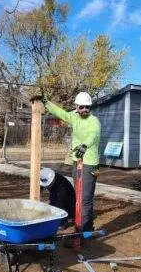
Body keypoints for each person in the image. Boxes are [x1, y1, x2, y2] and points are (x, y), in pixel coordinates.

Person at [32, 92, 101, 232]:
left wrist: (85, 145)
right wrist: (46, 102)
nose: (85, 110)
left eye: (88, 107)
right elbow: (60, 112)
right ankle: (81, 224)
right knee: (78, 195)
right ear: (76, 106)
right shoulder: (74, 117)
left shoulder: (94, 121)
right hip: (77, 162)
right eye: (82, 107)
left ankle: (84, 229)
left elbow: (94, 135)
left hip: (89, 164)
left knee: (85, 199)